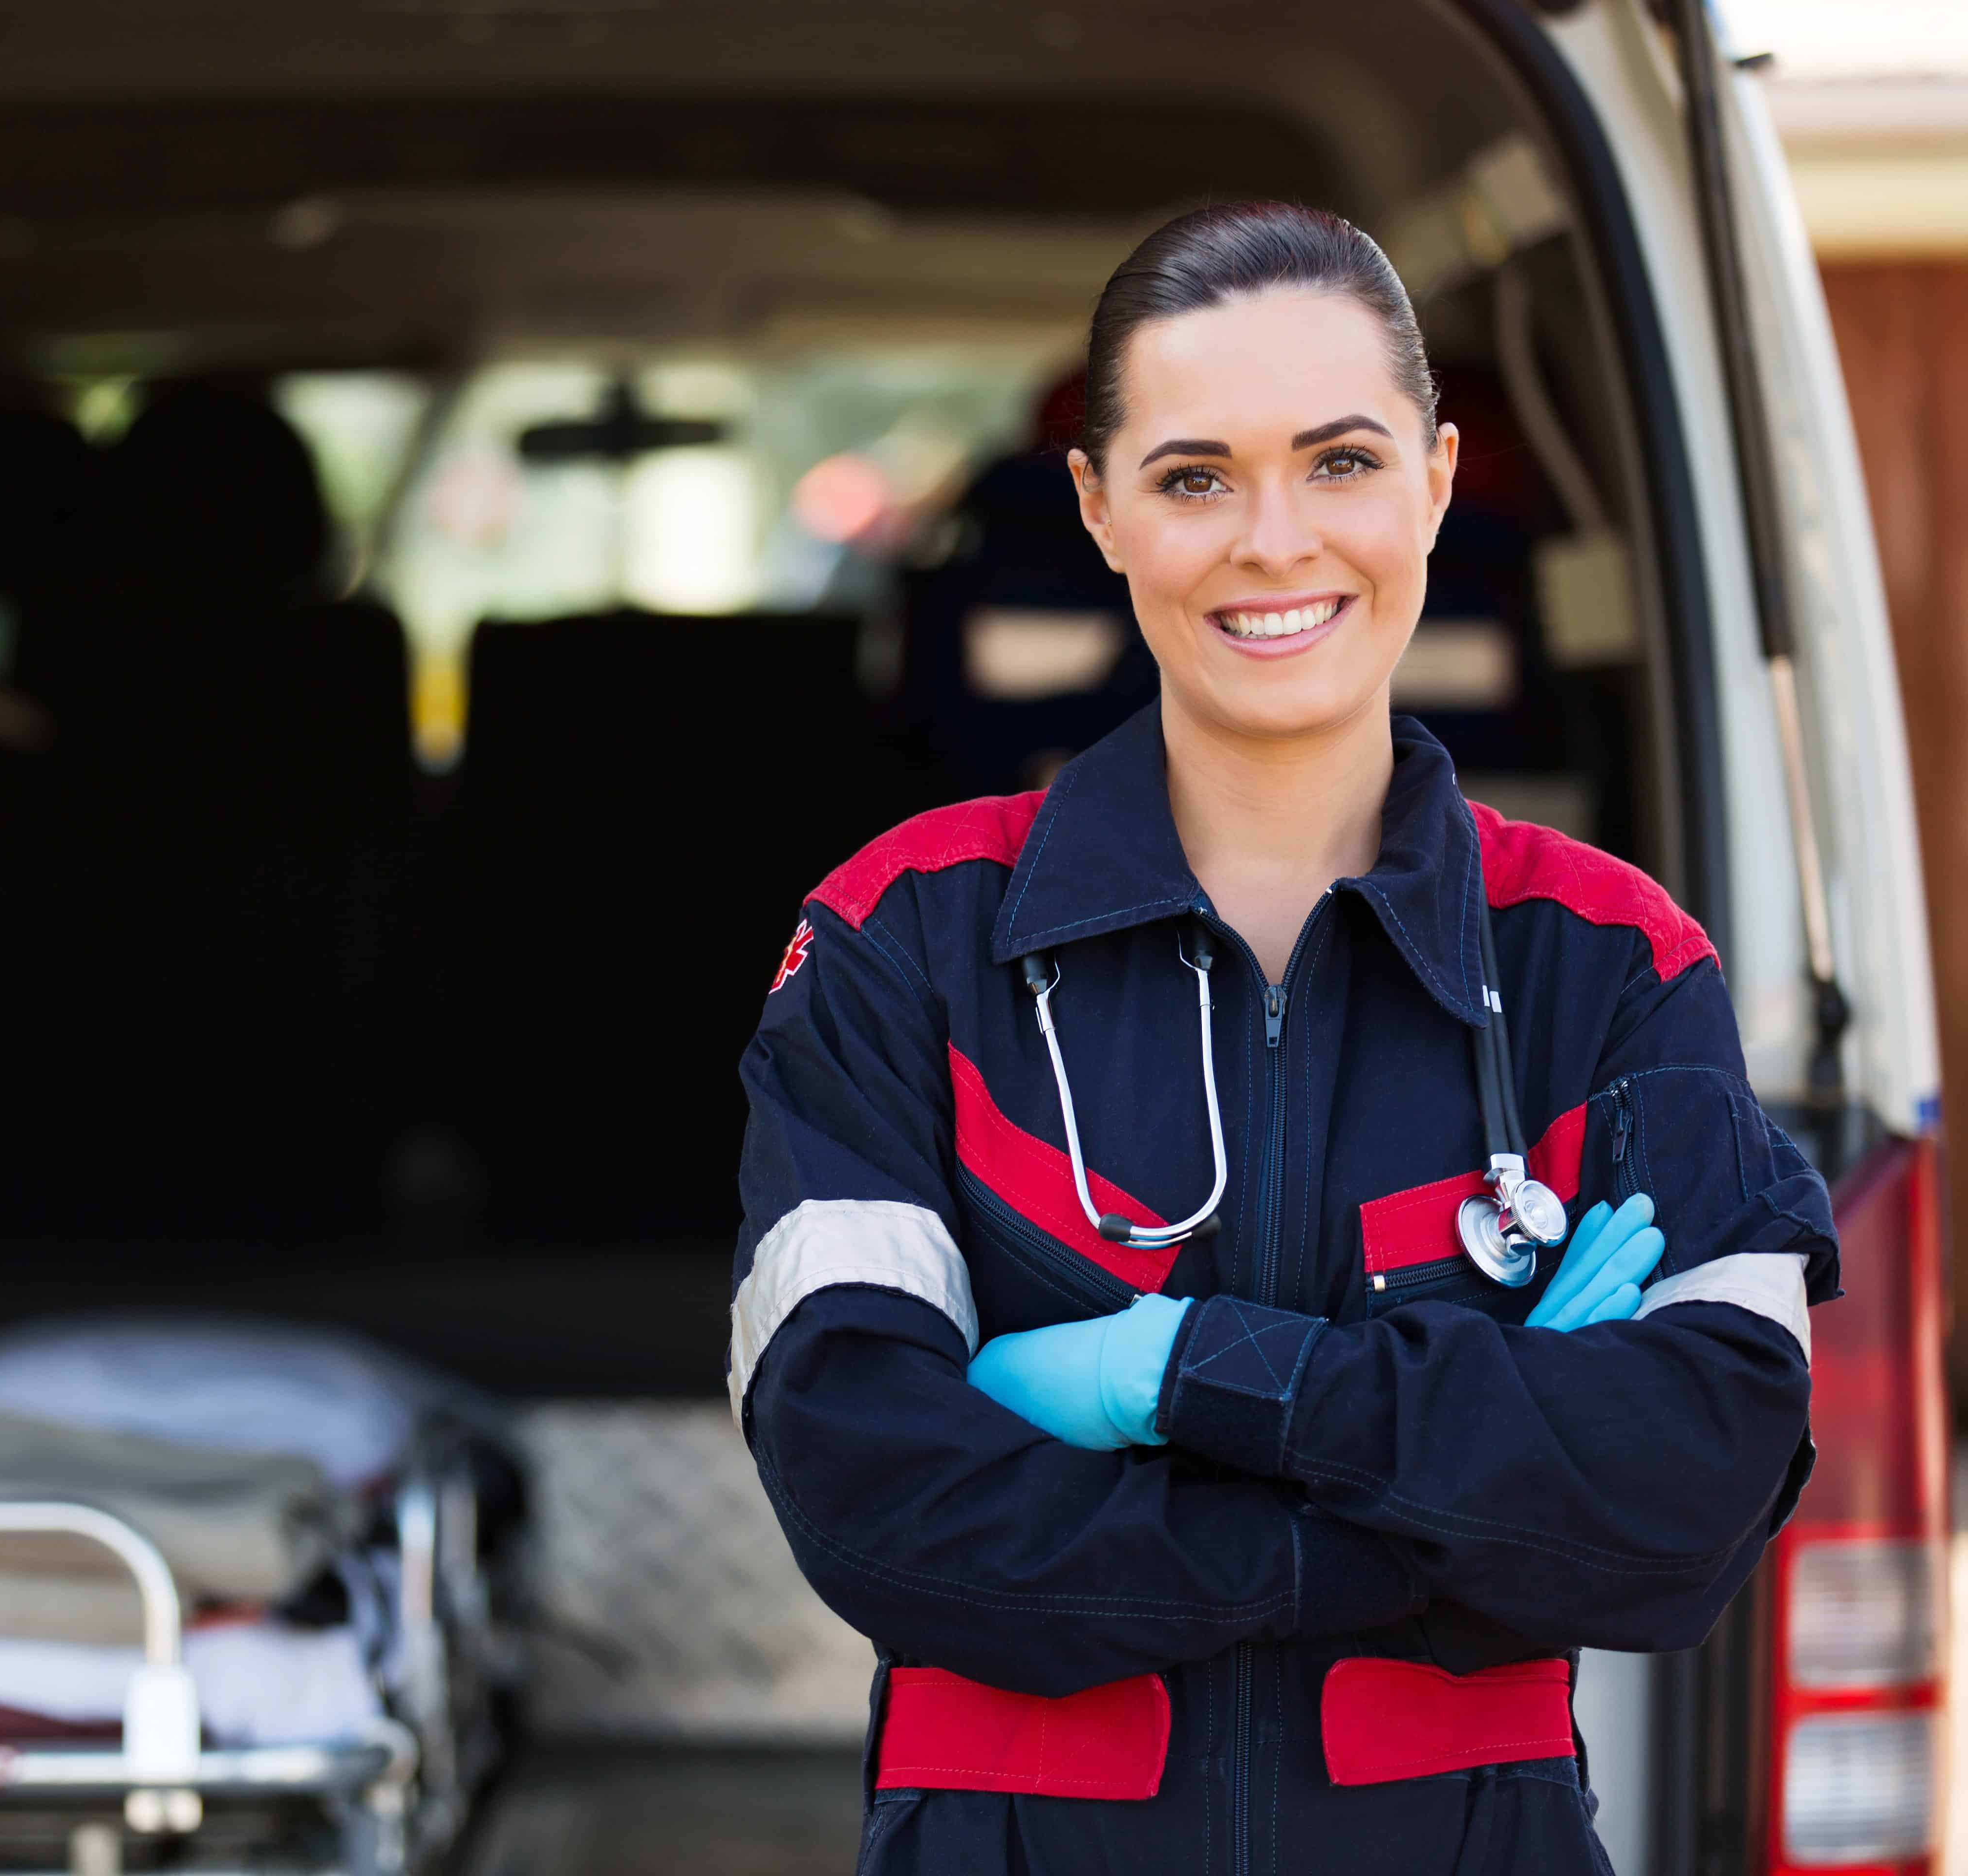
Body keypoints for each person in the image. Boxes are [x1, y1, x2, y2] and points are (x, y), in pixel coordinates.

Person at [730, 201, 1832, 1876]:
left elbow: (1681, 1514)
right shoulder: (902, 942)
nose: (1274, 541)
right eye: (1193, 477)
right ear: (1099, 508)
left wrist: (1183, 1376)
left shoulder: (1605, 964)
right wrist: (1457, 1495)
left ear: (1440, 480)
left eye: (1340, 462)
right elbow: (881, 1505)